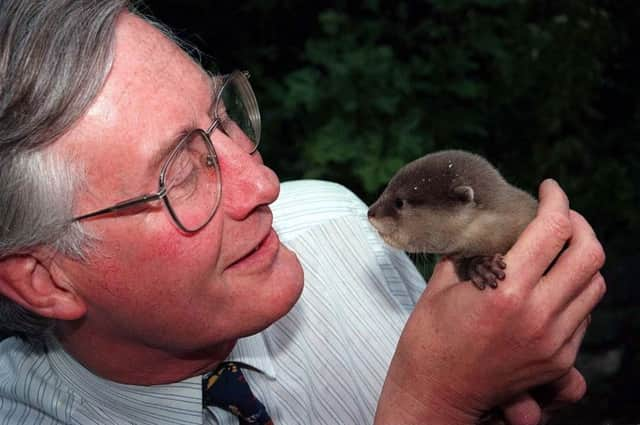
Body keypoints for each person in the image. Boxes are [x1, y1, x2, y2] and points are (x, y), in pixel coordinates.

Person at [0, 1, 606, 424]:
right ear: (45, 277)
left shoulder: (336, 225)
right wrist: (432, 407)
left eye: (223, 117)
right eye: (179, 173)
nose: (264, 183)